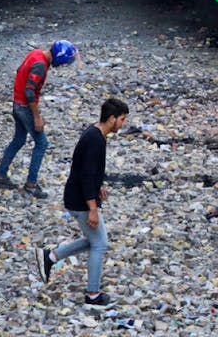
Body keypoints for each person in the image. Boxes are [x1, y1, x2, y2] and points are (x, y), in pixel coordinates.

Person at [34, 98, 129, 310]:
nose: (123, 124)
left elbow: (88, 171)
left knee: (94, 240)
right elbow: (86, 175)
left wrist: (98, 186)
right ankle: (92, 295)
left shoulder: (95, 134)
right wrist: (93, 208)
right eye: (122, 120)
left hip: (78, 196)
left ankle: (51, 256)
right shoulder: (95, 140)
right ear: (112, 118)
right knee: (100, 244)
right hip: (80, 201)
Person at [0, 40, 78, 198]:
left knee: (18, 140)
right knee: (42, 142)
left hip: (17, 104)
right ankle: (31, 184)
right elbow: (29, 92)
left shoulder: (36, 53)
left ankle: (0, 177)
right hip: (24, 107)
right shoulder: (40, 65)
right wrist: (37, 117)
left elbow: (20, 72)